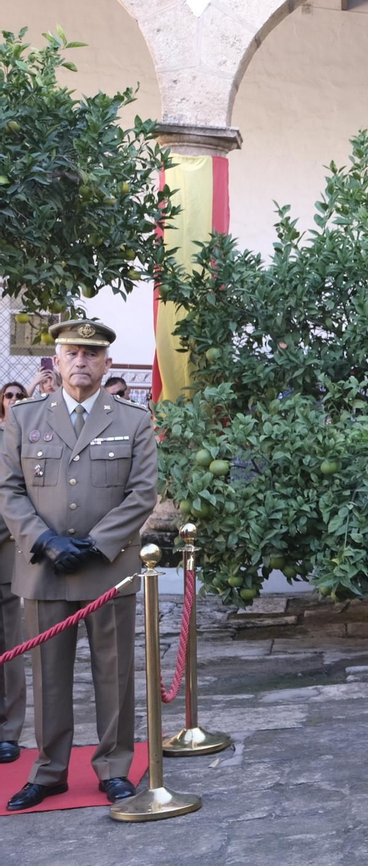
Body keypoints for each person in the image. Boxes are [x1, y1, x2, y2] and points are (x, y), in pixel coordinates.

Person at [0, 320, 156, 810]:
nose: (82, 362)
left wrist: (95, 544)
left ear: (107, 362)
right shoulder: (24, 418)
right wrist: (44, 540)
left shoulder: (133, 419)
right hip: (44, 567)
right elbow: (9, 489)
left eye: (92, 353)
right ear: (57, 361)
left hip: (107, 569)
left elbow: (142, 492)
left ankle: (113, 766)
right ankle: (49, 771)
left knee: (115, 673)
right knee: (48, 674)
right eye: (72, 353)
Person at [0, 381, 27, 764]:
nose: (14, 401)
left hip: (4, 551)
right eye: (9, 395)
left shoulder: (13, 438)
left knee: (10, 647)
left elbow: (17, 493)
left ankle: (8, 730)